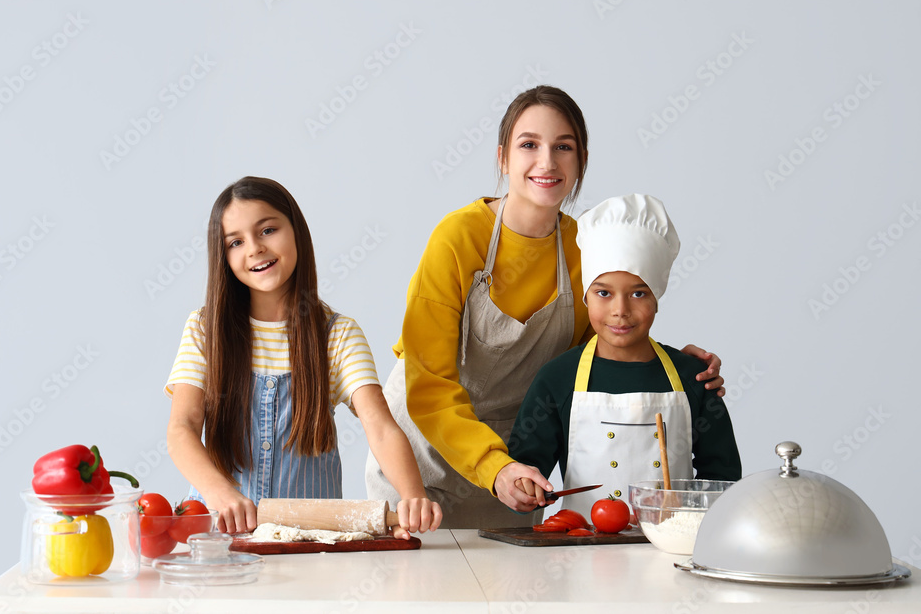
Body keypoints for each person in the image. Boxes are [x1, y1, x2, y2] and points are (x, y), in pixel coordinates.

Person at [365, 86, 726, 527]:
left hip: (517, 468)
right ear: (503, 157)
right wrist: (492, 467)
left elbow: (600, 358)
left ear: (581, 160)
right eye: (529, 145)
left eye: (563, 147)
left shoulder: (584, 250)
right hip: (422, 465)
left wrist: (671, 368)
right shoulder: (458, 239)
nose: (547, 162)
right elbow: (430, 383)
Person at [165, 176, 441, 539]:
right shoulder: (204, 330)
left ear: (296, 230)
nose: (254, 249)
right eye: (235, 242)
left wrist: (412, 495)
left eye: (267, 230)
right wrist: (222, 495)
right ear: (223, 256)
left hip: (311, 540)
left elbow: (381, 427)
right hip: (221, 535)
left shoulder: (337, 335)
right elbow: (181, 429)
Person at [497, 194, 742, 516]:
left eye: (639, 293)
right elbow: (528, 466)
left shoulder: (694, 377)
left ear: (657, 298)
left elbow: (722, 479)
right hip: (583, 547)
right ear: (586, 298)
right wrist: (524, 488)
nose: (620, 311)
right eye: (603, 293)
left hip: (669, 550)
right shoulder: (557, 377)